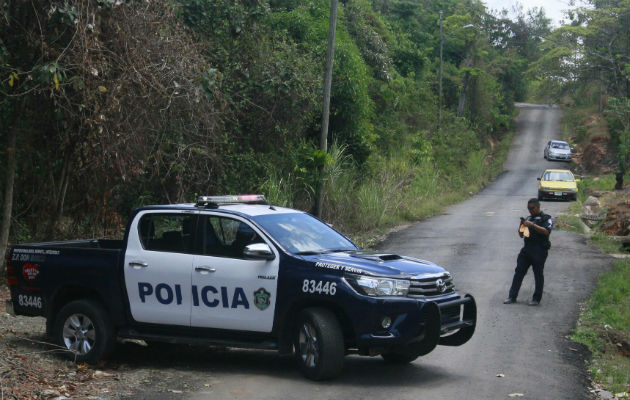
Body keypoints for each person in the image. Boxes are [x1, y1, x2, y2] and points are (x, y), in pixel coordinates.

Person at [504, 198, 553, 306]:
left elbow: (546, 231)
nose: (530, 211)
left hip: (539, 250)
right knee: (519, 272)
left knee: (538, 274)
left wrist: (532, 225)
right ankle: (512, 296)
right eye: (528, 209)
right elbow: (522, 235)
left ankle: (536, 299)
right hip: (527, 249)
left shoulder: (546, 218)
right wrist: (522, 226)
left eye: (532, 208)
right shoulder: (528, 218)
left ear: (538, 207)